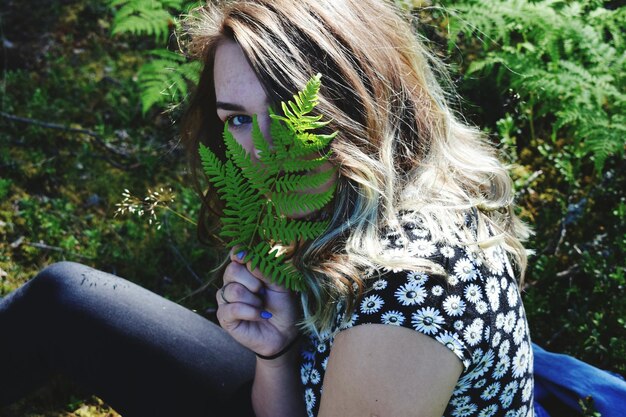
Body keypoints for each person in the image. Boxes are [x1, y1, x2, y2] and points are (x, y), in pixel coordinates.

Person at [0, 1, 536, 416]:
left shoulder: (412, 292)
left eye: (285, 113)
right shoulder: (358, 197)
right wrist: (276, 354)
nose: (259, 151)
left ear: (358, 102)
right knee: (62, 299)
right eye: (236, 119)